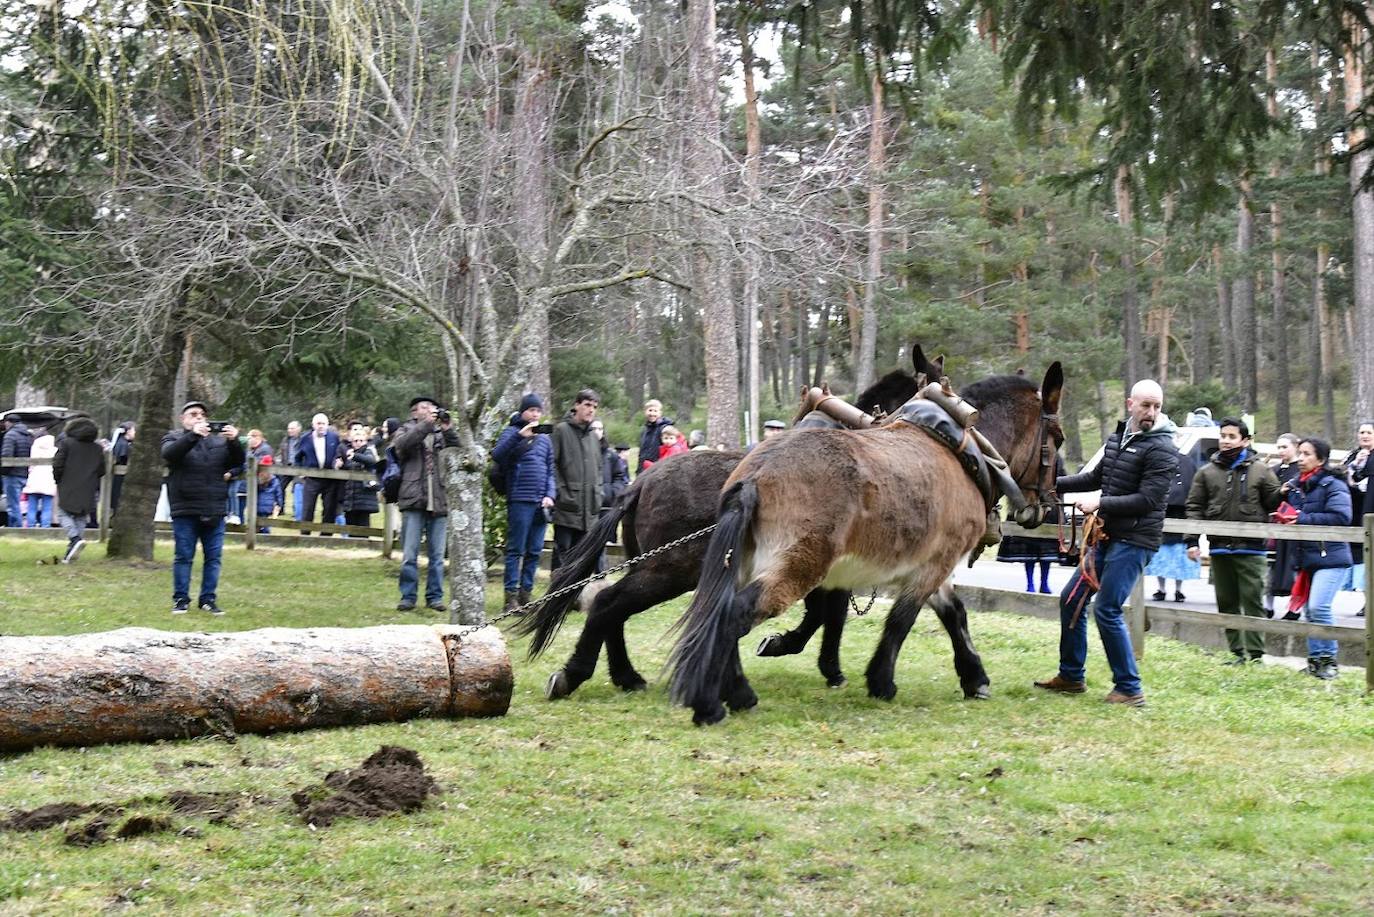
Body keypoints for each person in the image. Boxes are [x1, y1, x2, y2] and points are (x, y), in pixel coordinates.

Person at [1034, 379, 1178, 708]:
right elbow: (1095, 477)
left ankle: (1129, 688)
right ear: (1131, 404)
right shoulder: (1119, 438)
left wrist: (1100, 504)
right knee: (1071, 599)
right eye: (1145, 405)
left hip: (1136, 540)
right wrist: (1048, 485)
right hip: (1108, 535)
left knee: (1107, 609)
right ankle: (1071, 676)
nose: (1151, 413)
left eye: (1156, 406)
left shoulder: (1162, 448)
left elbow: (1148, 499)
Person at [1184, 418, 1283, 665]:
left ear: (1245, 440)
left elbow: (1272, 503)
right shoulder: (1206, 472)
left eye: (1231, 436)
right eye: (1223, 436)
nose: (1226, 441)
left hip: (1251, 549)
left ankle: (1256, 656)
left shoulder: (1261, 470)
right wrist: (1192, 541)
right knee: (1226, 602)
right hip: (1219, 548)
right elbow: (1194, 507)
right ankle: (1237, 653)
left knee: (1253, 602)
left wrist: (1282, 492)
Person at [1280, 437, 1353, 679]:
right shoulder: (1297, 486)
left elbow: (1342, 516)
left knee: (1319, 606)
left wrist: (1300, 518)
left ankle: (1329, 661)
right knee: (1310, 611)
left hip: (1331, 556)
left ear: (1320, 459)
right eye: (1299, 453)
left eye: (1307, 454)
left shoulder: (1333, 485)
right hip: (1307, 556)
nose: (1300, 458)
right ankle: (1315, 662)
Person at [162, 401, 243, 615]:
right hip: (185, 508)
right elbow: (170, 455)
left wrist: (234, 441)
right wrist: (193, 436)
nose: (199, 418)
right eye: (193, 414)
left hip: (215, 507)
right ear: (183, 419)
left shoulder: (219, 442)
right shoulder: (174, 438)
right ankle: (181, 599)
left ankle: (208, 599)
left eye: (202, 415)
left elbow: (237, 462)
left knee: (213, 558)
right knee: (183, 556)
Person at [393, 396, 460, 612]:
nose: (430, 409)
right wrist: (425, 426)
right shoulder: (405, 430)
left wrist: (448, 428)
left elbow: (459, 451)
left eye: (432, 407)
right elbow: (401, 446)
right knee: (409, 554)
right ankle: (408, 597)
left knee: (437, 556)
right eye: (424, 407)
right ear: (415, 412)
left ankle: (435, 597)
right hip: (413, 498)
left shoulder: (441, 433)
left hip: (439, 499)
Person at [491, 393, 555, 611]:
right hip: (519, 498)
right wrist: (520, 436)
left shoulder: (545, 439)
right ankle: (510, 599)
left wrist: (550, 495)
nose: (535, 414)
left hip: (541, 502)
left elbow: (550, 471)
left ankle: (526, 595)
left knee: (535, 551)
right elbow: (497, 455)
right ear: (522, 412)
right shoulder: (512, 432)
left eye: (538, 411)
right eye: (531, 410)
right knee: (515, 549)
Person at [996, 455, 1067, 593]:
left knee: (1046, 550)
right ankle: (1030, 584)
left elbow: (1060, 483)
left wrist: (1060, 510)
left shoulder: (1055, 457)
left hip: (1049, 508)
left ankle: (1044, 583)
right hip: (1026, 505)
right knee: (1028, 548)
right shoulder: (1026, 454)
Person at [551, 389, 603, 569]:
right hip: (567, 507)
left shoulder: (593, 438)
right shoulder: (561, 431)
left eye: (594, 407)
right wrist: (561, 492)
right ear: (576, 405)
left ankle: (576, 594)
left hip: (590, 510)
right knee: (562, 553)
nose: (591, 410)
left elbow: (599, 469)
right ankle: (556, 594)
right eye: (587, 405)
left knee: (582, 557)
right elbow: (551, 465)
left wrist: (599, 493)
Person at [1145, 440, 1200, 602]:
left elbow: (1192, 487)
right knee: (1161, 555)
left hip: (1182, 514)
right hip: (1162, 513)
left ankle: (1178, 590)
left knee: (1179, 555)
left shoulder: (1187, 461)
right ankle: (1161, 589)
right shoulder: (1157, 460)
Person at [51, 417, 104, 563]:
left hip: (68, 483)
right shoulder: (97, 448)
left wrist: (58, 479)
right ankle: (72, 552)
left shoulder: (67, 444)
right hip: (89, 486)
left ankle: (75, 539)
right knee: (81, 516)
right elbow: (102, 469)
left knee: (63, 513)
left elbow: (58, 463)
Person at [1268, 433, 1302, 615]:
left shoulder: (1300, 470)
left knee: (1293, 565)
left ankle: (1294, 608)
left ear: (1295, 446)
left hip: (1294, 523)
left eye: (1285, 447)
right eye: (1278, 447)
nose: (1281, 451)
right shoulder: (1273, 470)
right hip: (1275, 523)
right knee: (1270, 566)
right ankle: (1268, 606)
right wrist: (1278, 492)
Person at [294, 413, 340, 535]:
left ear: (327, 425)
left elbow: (339, 454)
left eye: (323, 423)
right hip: (312, 478)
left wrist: (337, 463)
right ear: (313, 425)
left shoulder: (334, 437)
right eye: (318, 423)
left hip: (330, 478)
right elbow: (297, 458)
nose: (321, 426)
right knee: (308, 508)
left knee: (329, 508)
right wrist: (301, 472)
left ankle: (326, 536)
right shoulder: (305, 438)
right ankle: (305, 536)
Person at [335, 423, 381, 531]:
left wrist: (355, 456)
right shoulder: (349, 454)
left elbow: (370, 461)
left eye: (361, 440)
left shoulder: (368, 451)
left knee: (363, 531)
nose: (358, 443)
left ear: (365, 441)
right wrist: (339, 466)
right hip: (351, 499)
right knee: (351, 529)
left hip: (364, 499)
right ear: (351, 442)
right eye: (356, 441)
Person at [232, 429, 273, 523]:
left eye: (249, 438)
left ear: (257, 438)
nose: (248, 440)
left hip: (257, 485)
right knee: (240, 506)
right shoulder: (251, 449)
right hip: (246, 484)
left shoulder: (265, 449)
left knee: (258, 510)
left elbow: (258, 466)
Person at [1, 413, 34, 527]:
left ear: (8, 422)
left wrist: (3, 472)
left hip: (12, 475)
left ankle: (16, 529)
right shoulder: (28, 435)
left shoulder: (10, 435)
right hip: (24, 473)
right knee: (21, 504)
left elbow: (7, 456)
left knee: (12, 505)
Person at [22, 427, 56, 528]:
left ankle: (31, 526)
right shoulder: (54, 449)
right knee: (47, 507)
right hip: (49, 479)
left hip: (35, 478)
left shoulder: (34, 448)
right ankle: (45, 527)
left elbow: (31, 465)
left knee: (32, 506)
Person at [636, 399, 673, 475]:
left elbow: (670, 450)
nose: (652, 413)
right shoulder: (644, 430)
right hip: (643, 469)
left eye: (655, 411)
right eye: (650, 410)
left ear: (660, 413)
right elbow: (642, 453)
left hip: (658, 470)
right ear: (645, 412)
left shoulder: (665, 429)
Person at [276, 420, 303, 521]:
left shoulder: (303, 440)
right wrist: (278, 461)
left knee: (297, 489)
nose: (290, 430)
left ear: (298, 429)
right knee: (280, 487)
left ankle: (296, 512)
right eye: (289, 428)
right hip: (286, 468)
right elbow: (280, 453)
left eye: (292, 428)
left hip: (298, 468)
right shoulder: (285, 440)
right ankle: (280, 509)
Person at [253, 454, 284, 533]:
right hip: (269, 506)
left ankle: (259, 534)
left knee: (256, 524)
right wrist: (279, 505)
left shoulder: (258, 479)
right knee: (266, 523)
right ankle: (266, 534)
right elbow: (279, 494)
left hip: (258, 505)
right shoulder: (275, 480)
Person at [109, 421, 135, 515]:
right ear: (128, 431)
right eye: (133, 430)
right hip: (120, 478)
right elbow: (122, 458)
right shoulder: (123, 444)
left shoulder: (122, 443)